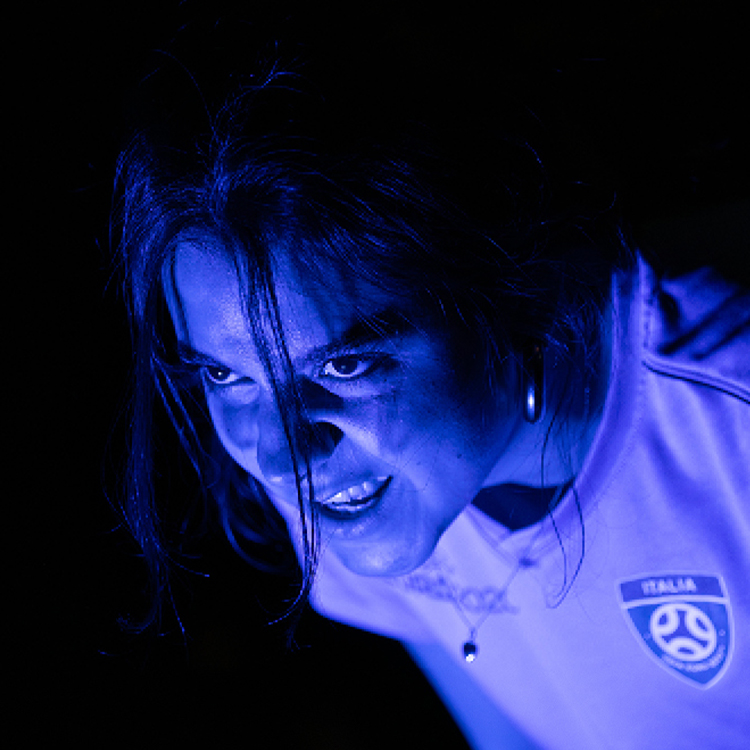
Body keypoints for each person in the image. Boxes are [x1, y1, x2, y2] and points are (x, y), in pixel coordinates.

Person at [111, 9, 750, 749]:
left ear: (512, 280)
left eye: (345, 364)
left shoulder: (728, 427)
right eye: (226, 374)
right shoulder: (360, 485)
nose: (281, 459)